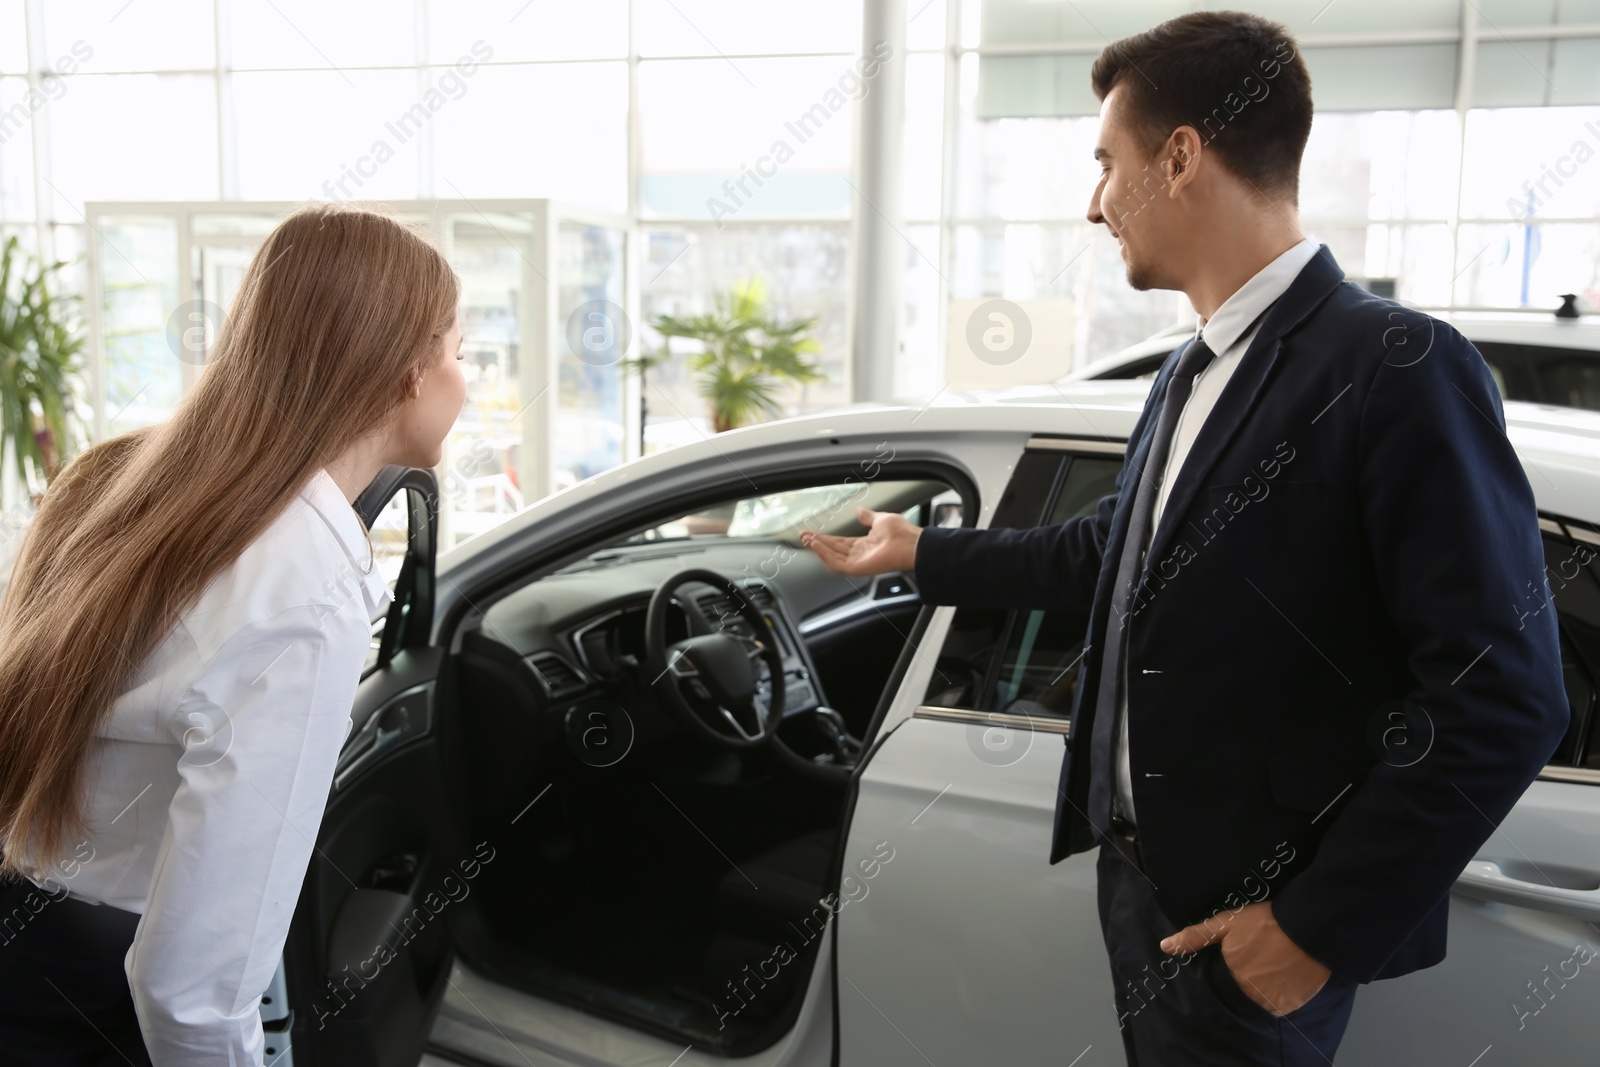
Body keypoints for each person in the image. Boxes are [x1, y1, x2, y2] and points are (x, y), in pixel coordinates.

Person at [803, 10, 1568, 1065]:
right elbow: (1116, 550)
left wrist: (1309, 931)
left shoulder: (1391, 364)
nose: (1093, 203)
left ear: (1179, 157)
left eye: (1105, 164)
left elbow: (1504, 689)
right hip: (1149, 888)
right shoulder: (1193, 364)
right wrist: (919, 553)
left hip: (1252, 926)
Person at [0, 205, 466, 1066]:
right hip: (85, 1006)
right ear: (409, 370)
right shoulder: (310, 598)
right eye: (458, 352)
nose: (462, 382)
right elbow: (191, 991)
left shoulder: (126, 478)